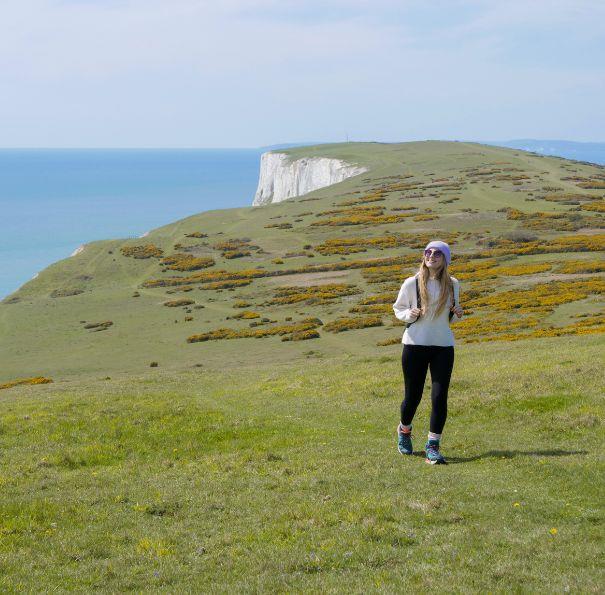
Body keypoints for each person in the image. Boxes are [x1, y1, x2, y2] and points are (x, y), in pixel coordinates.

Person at [392, 240, 464, 464]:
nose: (431, 256)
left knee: (439, 397)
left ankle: (433, 446)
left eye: (437, 253)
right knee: (412, 397)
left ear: (445, 260)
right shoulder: (411, 283)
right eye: (428, 252)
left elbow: (449, 316)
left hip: (443, 346)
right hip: (414, 345)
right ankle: (404, 431)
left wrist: (458, 312)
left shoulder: (453, 284)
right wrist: (409, 314)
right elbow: (398, 309)